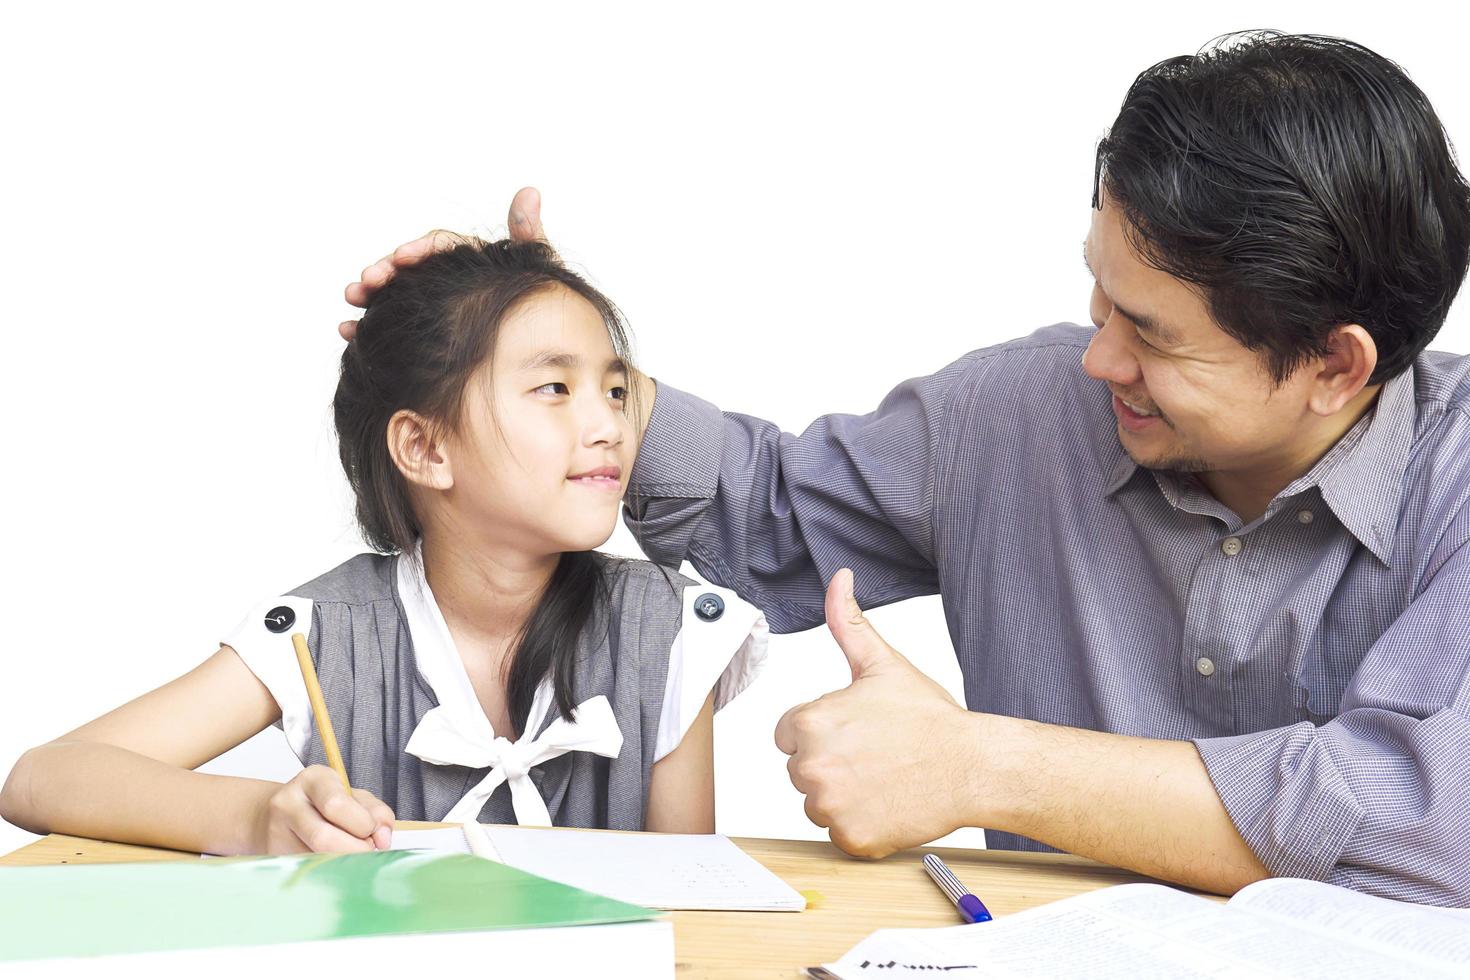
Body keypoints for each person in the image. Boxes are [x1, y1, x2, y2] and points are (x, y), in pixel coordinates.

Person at [340, 33, 1470, 905]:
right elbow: (765, 512)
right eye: (1098, 291)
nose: (1098, 355)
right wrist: (537, 353)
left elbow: (1426, 823)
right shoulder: (1016, 410)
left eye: (1155, 334)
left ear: (1334, 364)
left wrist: (985, 767)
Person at [0, 237, 766, 855]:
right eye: (555, 389)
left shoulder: (670, 631)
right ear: (424, 448)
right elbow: (41, 778)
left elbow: (692, 915)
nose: (609, 424)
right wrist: (259, 817)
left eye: (615, 389)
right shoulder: (328, 631)